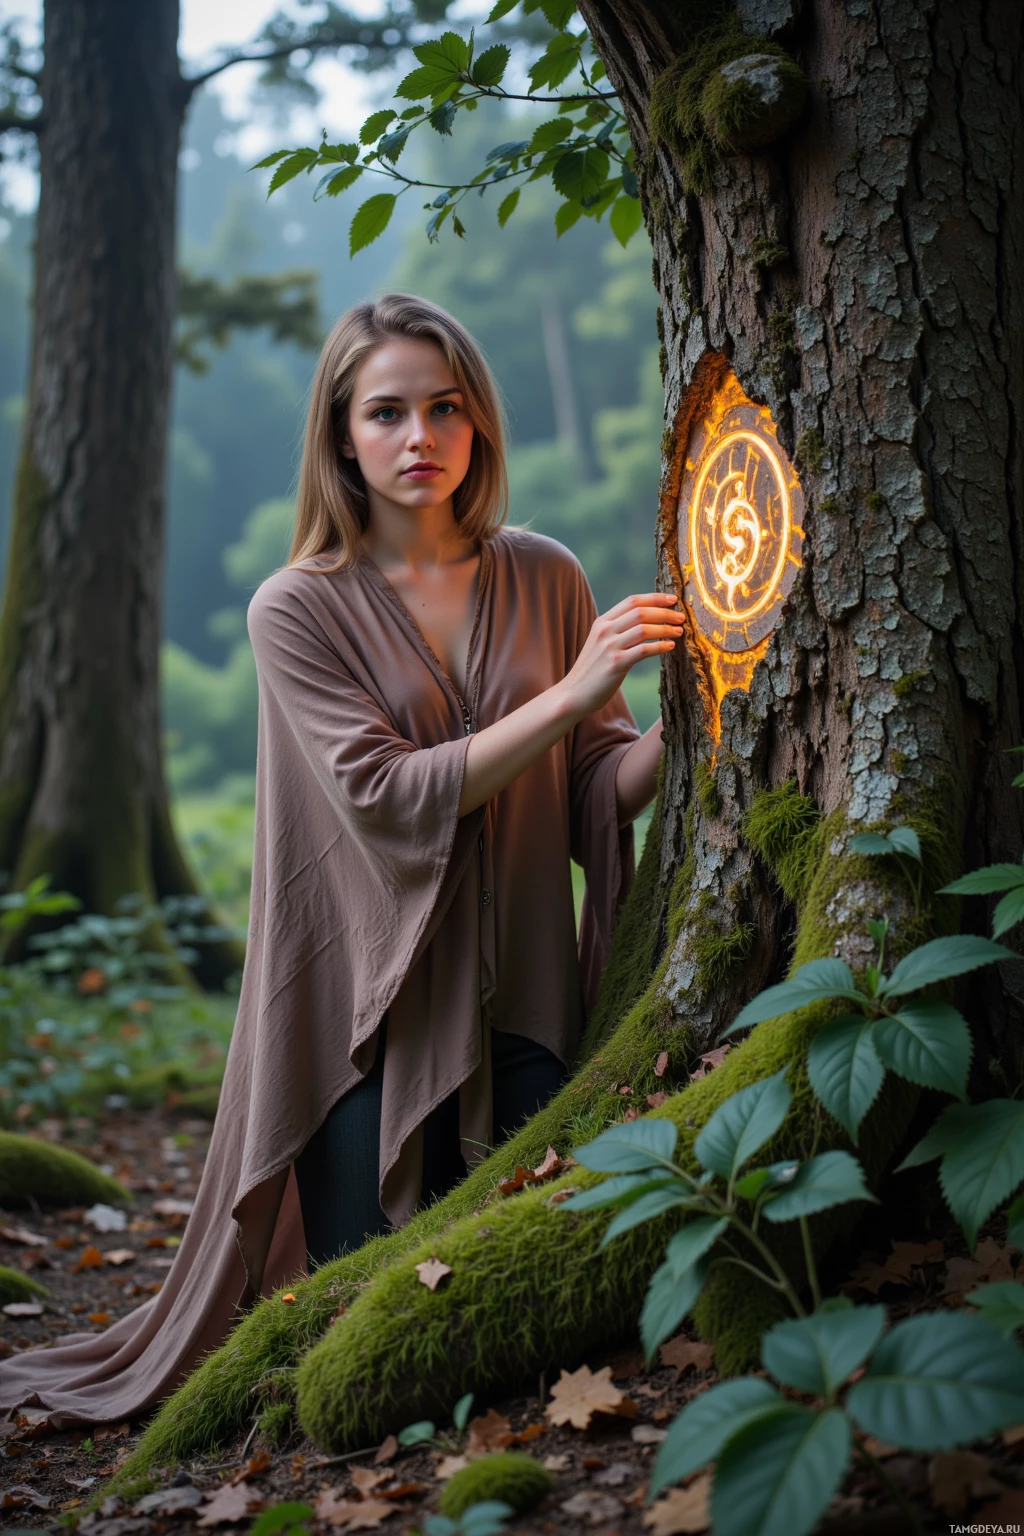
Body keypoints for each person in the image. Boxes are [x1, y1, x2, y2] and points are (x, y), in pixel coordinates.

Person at [0, 293, 683, 1425]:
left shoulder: (546, 574)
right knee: (366, 1337)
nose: (421, 437)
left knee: (544, 1302)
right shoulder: (295, 609)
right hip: (368, 1029)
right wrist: (571, 694)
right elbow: (388, 795)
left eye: (446, 407)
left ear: (479, 421)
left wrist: (707, 708)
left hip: (525, 1007)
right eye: (387, 412)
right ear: (340, 435)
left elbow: (591, 793)